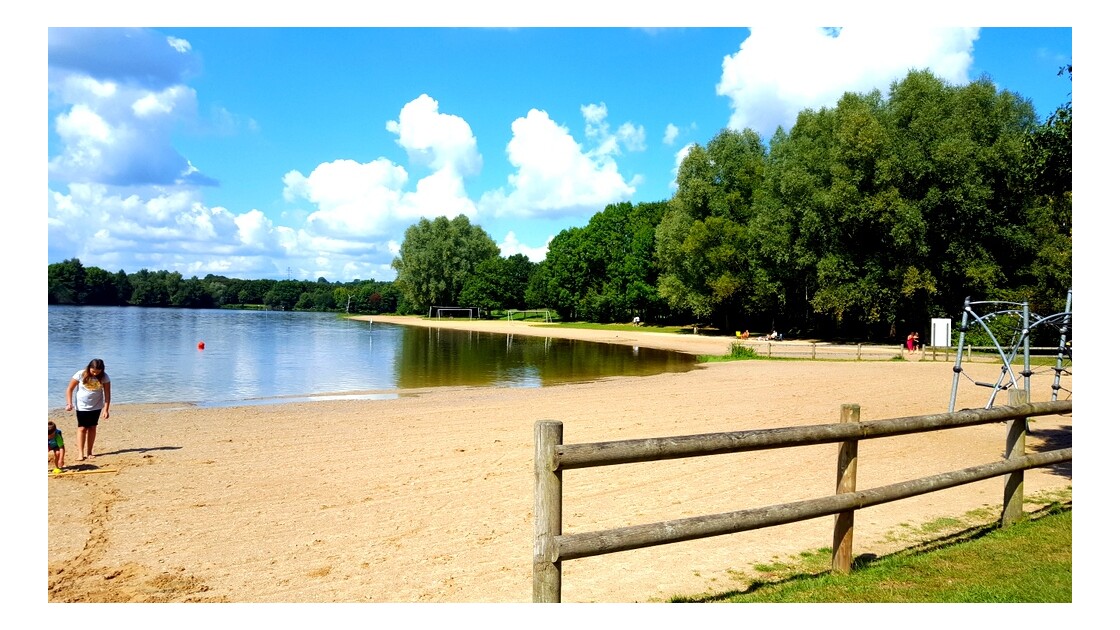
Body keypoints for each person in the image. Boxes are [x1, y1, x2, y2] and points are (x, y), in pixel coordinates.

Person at [65, 358, 111, 461]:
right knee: (82, 428)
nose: (95, 374)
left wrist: (106, 409)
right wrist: (69, 403)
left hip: (96, 406)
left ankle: (89, 452)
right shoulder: (80, 374)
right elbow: (70, 389)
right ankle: (80, 453)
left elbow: (107, 394)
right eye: (93, 371)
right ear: (89, 367)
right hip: (81, 406)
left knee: (92, 428)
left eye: (97, 372)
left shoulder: (104, 377)